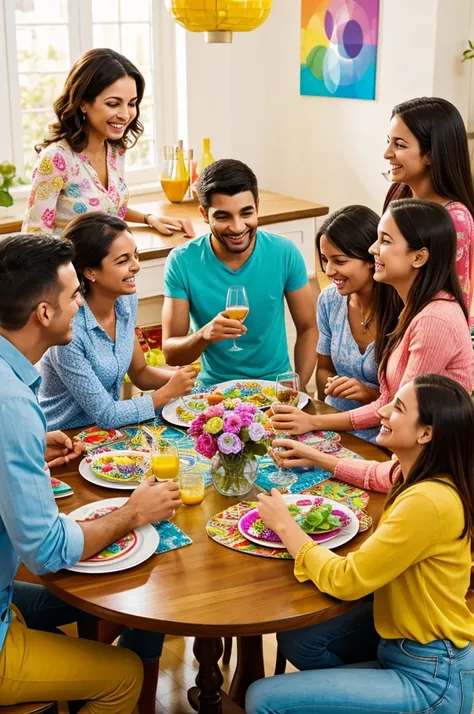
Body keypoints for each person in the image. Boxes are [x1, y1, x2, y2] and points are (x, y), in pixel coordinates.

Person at [0, 233, 182, 712]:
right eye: (74, 296)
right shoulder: (13, 404)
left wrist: (30, 450)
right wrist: (132, 513)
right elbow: (48, 551)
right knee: (122, 675)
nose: (80, 305)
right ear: (43, 313)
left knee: (116, 594)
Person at [247, 374, 474, 714]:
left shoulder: (427, 501)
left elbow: (347, 580)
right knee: (300, 639)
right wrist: (317, 457)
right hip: (397, 640)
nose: (382, 412)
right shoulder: (412, 473)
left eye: (397, 408)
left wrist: (285, 525)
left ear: (426, 433)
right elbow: (375, 472)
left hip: (431, 675)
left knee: (263, 700)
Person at [271, 199, 474, 438]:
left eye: (385, 241)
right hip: (366, 431)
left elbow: (398, 410)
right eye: (325, 260)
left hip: (404, 445)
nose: (373, 249)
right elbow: (392, 403)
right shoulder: (413, 307)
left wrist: (317, 423)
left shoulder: (431, 319)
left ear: (418, 258)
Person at [162, 159, 318, 389]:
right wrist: (204, 334)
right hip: (213, 391)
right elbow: (171, 354)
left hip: (276, 386)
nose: (237, 227)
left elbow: (308, 328)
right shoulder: (182, 261)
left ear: (257, 205)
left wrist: (298, 388)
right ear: (204, 214)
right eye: (223, 217)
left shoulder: (284, 253)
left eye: (246, 213)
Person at [38, 212, 196, 430]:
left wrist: (190, 380)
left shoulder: (125, 302)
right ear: (90, 272)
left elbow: (140, 373)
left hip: (109, 432)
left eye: (135, 256)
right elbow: (107, 414)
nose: (136, 266)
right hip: (65, 438)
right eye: (123, 261)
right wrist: (168, 392)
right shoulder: (69, 331)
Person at [22, 48, 194, 239]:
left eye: (131, 103)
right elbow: (35, 235)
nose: (125, 114)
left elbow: (106, 208)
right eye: (113, 103)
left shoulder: (115, 150)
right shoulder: (56, 158)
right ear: (83, 103)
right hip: (71, 267)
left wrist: (148, 218)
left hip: (111, 265)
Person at [383, 97, 474, 316]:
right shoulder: (398, 193)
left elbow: (457, 299)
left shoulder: (456, 219)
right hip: (392, 321)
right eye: (388, 141)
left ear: (431, 155)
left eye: (400, 145)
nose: (387, 153)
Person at [316, 205, 386, 443]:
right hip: (334, 427)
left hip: (386, 436)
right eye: (325, 260)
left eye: (340, 261)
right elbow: (324, 368)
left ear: (371, 258)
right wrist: (331, 384)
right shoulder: (329, 300)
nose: (328, 270)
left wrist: (369, 394)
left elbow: (412, 402)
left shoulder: (402, 310)